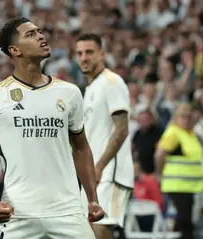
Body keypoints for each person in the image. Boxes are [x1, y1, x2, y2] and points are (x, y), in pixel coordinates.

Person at [0, 17, 104, 239]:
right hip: (18, 213)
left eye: (40, 32)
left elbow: (81, 148)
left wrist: (92, 199)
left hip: (67, 211)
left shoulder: (70, 93)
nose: (41, 36)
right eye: (31, 34)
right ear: (15, 50)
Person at [75, 33, 134, 239]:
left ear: (101, 54)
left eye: (89, 52)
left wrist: (98, 167)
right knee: (87, 231)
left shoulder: (112, 82)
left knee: (100, 228)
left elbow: (122, 130)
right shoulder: (89, 88)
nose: (84, 57)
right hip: (94, 174)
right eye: (80, 53)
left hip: (111, 172)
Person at [154, 103, 203, 239]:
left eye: (189, 117)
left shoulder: (191, 134)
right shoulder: (173, 133)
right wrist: (159, 174)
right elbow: (159, 155)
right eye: (183, 117)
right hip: (177, 187)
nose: (186, 120)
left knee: (186, 225)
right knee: (184, 226)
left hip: (190, 187)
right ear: (176, 118)